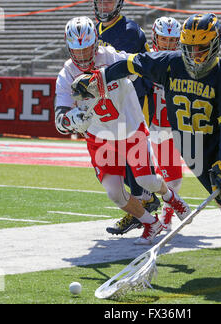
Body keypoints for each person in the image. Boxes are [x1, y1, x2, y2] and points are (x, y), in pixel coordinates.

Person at [93, 13, 221, 286]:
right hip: (190, 148)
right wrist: (98, 79)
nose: (194, 54)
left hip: (220, 142)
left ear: (215, 45)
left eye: (201, 48)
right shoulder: (170, 63)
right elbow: (130, 64)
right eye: (189, 47)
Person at [54, 16, 192, 246]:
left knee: (147, 180)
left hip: (128, 127)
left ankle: (171, 197)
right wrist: (71, 119)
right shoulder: (66, 74)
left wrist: (107, 77)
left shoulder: (110, 56)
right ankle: (151, 223)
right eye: (76, 51)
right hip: (100, 136)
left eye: (86, 49)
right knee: (114, 193)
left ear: (95, 42)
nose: (81, 56)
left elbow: (136, 67)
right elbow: (60, 120)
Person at [150, 16, 221, 236]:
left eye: (172, 40)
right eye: (163, 39)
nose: (167, 44)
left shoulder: (186, 63)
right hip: (160, 128)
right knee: (171, 178)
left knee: (214, 177)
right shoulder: (156, 62)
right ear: (154, 38)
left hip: (191, 129)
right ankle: (160, 218)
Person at [92, 0, 160, 236]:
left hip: (134, 98)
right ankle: (144, 206)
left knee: (134, 154)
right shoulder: (96, 30)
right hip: (114, 101)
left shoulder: (128, 31)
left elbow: (121, 70)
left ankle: (146, 205)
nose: (103, 6)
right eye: (100, 1)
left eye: (108, 1)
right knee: (119, 157)